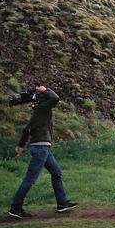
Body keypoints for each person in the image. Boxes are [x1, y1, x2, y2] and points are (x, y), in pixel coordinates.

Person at [9, 85, 77, 218]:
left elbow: (26, 129)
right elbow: (55, 98)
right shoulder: (43, 108)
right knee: (30, 179)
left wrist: (21, 145)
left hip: (41, 147)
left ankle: (62, 203)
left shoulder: (37, 111)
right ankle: (15, 208)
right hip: (41, 148)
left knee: (56, 173)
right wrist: (45, 90)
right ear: (44, 100)